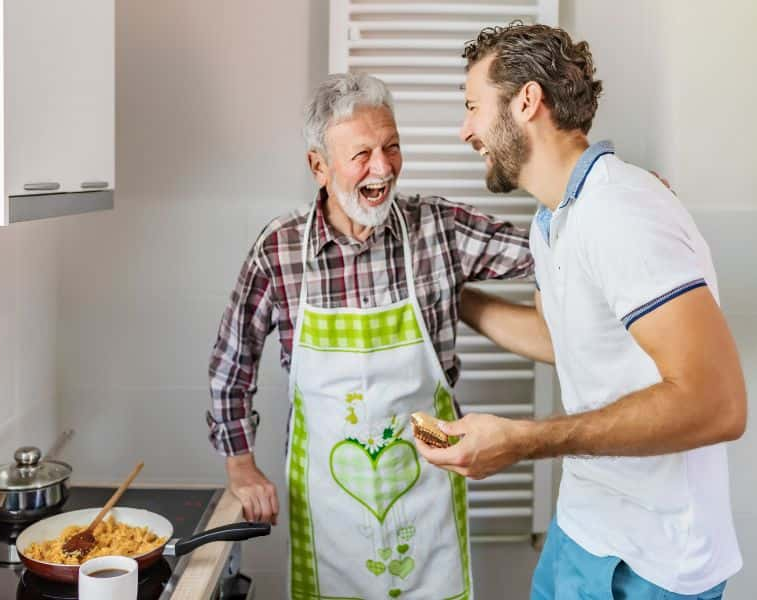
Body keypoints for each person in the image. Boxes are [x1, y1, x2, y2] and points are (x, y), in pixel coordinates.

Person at [415, 23, 746, 600]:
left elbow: (717, 403)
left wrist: (524, 441)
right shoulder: (553, 219)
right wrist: (449, 293)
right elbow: (559, 336)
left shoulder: (622, 210)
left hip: (655, 562)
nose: (465, 130)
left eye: (472, 106)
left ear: (526, 101)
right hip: (585, 531)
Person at [206, 72, 535, 599]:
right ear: (319, 166)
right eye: (362, 154)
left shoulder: (436, 228)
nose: (383, 168)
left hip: (425, 497)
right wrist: (240, 464)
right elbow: (232, 364)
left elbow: (546, 252)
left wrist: (608, 202)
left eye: (392, 147)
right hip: (328, 510)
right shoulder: (280, 251)